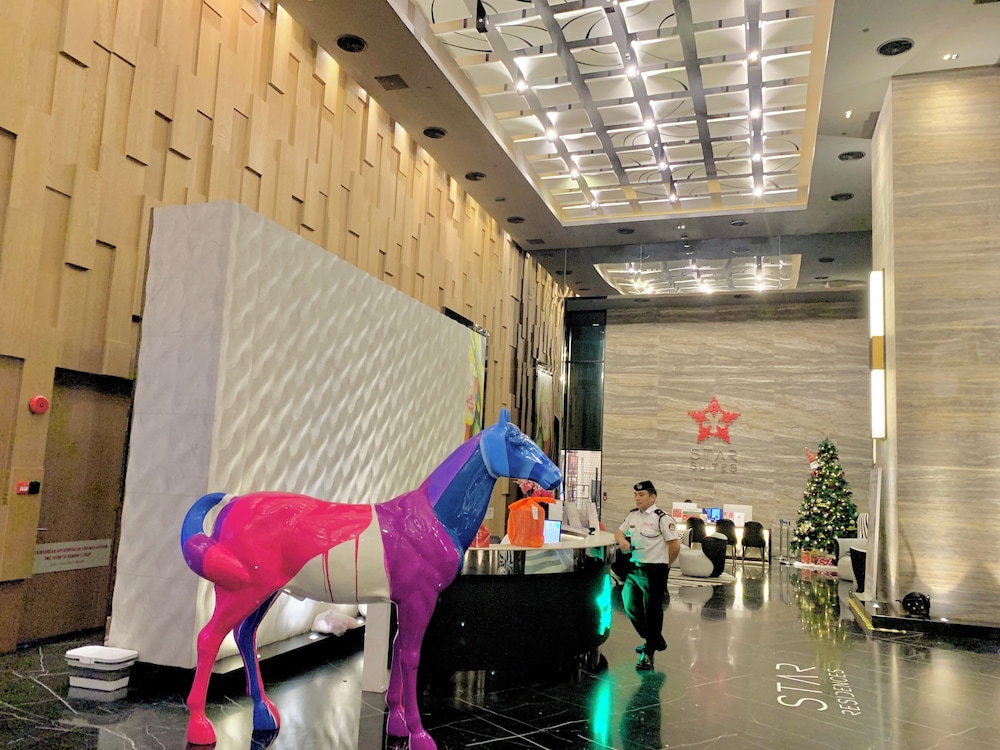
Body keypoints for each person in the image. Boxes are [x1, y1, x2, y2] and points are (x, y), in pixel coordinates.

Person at [614, 480, 680, 670]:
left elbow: (675, 546)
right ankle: (655, 639)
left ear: (653, 497)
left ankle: (649, 652)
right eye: (635, 495)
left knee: (652, 611)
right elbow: (618, 532)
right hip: (635, 568)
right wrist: (622, 541)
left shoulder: (662, 518)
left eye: (641, 495)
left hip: (655, 570)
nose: (637, 498)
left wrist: (666, 565)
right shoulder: (633, 515)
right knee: (629, 604)